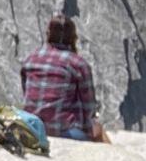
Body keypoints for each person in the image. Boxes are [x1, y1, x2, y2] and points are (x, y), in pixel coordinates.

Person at [20, 14, 104, 142]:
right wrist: (89, 130)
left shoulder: (30, 60)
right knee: (99, 130)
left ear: (48, 34)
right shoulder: (79, 64)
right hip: (64, 132)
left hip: (31, 128)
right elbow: (89, 105)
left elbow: (26, 93)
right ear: (73, 38)